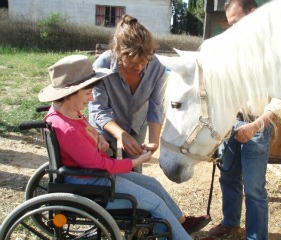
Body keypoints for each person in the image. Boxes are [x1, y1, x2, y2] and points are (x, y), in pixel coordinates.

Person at [38, 54, 210, 240]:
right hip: (93, 183)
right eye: (88, 93)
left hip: (93, 177)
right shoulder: (67, 129)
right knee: (155, 204)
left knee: (153, 184)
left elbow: (84, 132)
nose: (90, 99)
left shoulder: (67, 113)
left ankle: (180, 225)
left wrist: (97, 138)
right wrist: (134, 161)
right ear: (70, 94)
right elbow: (100, 165)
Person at [204, 1, 281, 240]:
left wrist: (255, 126)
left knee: (254, 189)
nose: (234, 29)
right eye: (230, 24)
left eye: (237, 22)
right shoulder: (233, 49)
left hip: (258, 125)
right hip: (230, 123)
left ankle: (255, 237)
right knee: (228, 178)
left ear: (253, 14)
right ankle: (230, 223)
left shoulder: (276, 51)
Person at [89, 14, 166, 174]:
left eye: (143, 62)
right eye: (131, 64)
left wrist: (153, 142)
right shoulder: (101, 67)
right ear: (118, 52)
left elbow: (156, 106)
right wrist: (120, 134)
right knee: (104, 169)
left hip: (137, 122)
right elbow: (98, 109)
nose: (138, 68)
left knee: (134, 168)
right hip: (105, 124)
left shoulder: (157, 67)